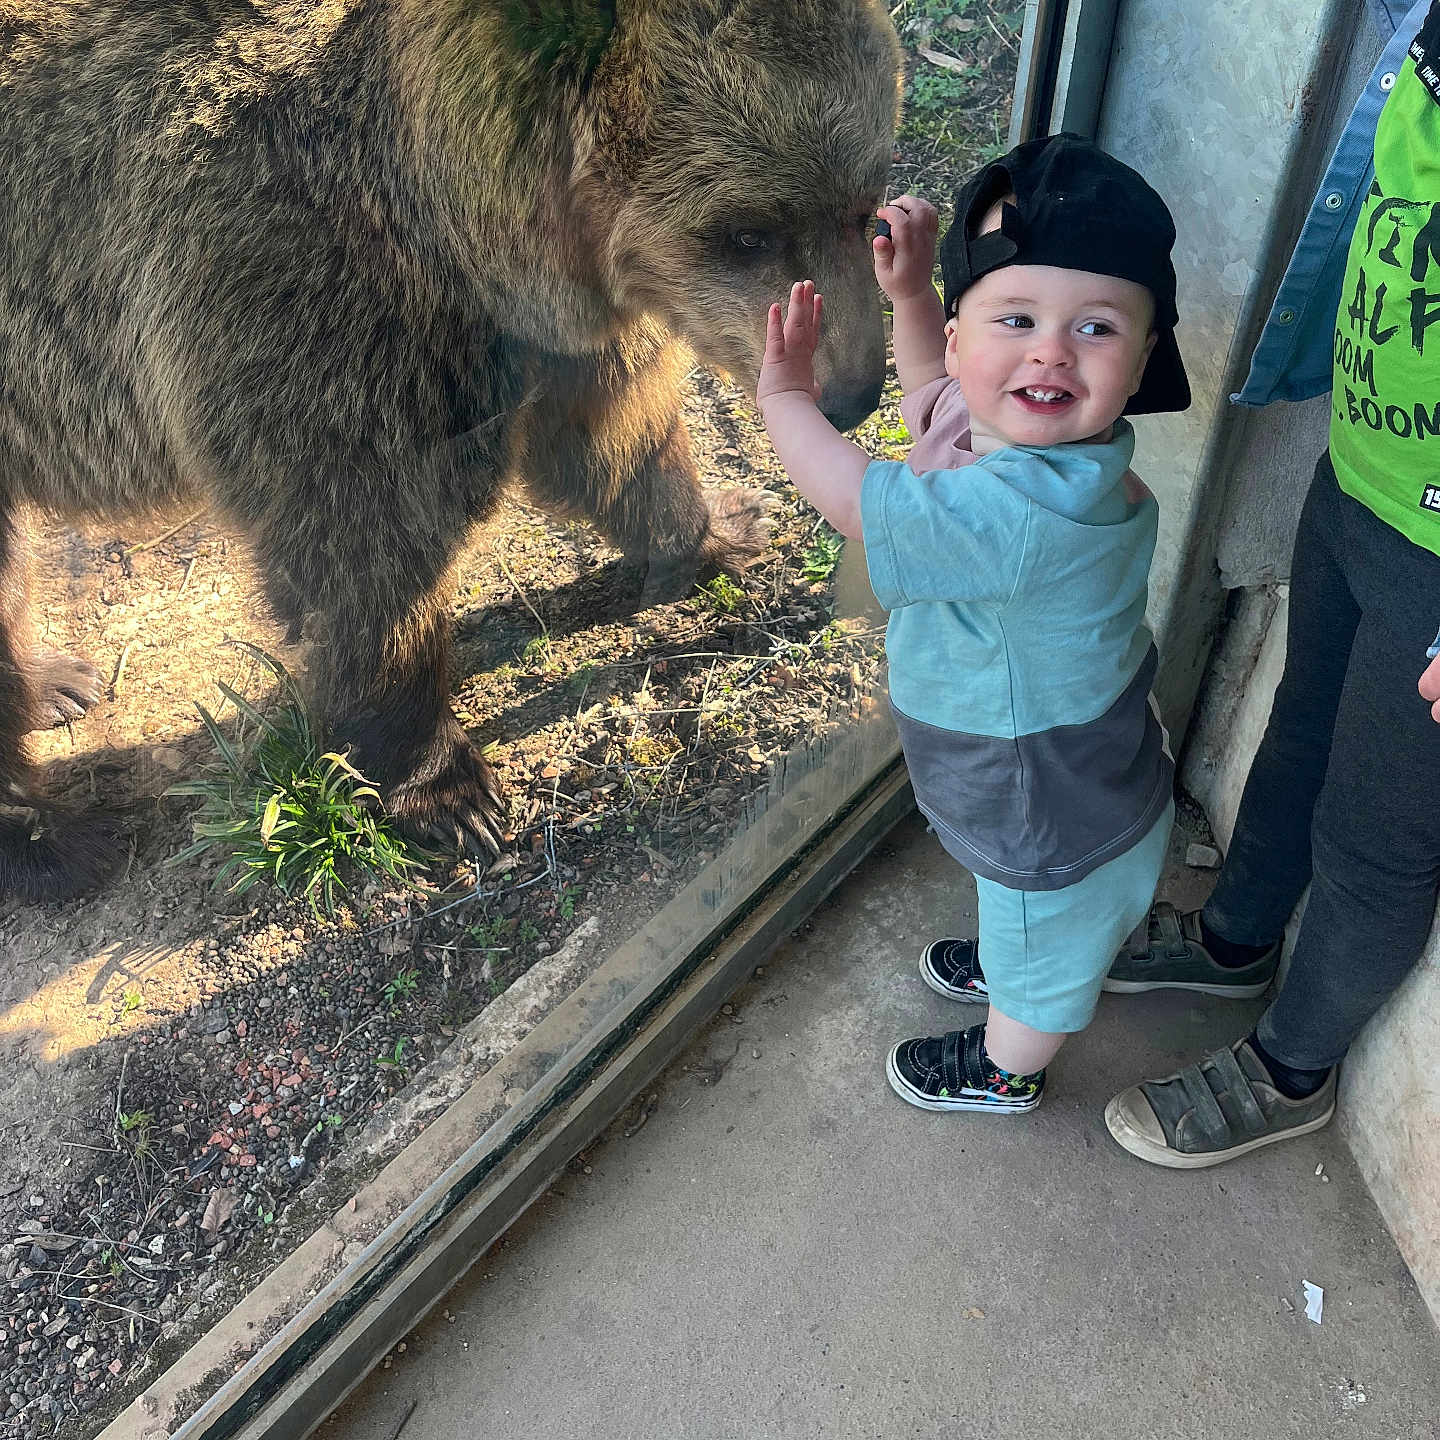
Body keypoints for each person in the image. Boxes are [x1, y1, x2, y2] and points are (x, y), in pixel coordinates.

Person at [756, 134, 1191, 1114]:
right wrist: (911, 298)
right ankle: (1026, 949)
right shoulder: (1027, 440)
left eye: (1095, 329)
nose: (1049, 349)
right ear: (961, 337)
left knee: (1042, 965)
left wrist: (784, 393)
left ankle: (1009, 1066)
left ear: (1143, 359)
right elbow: (932, 405)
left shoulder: (1028, 511)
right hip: (1080, 769)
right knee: (1034, 919)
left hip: (1050, 808)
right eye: (1017, 317)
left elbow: (858, 500)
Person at [1101, 0, 1440, 1166]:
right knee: (1299, 730)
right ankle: (1235, 940)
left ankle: (1292, 1067)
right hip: (1362, 472)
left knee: (1376, 837)